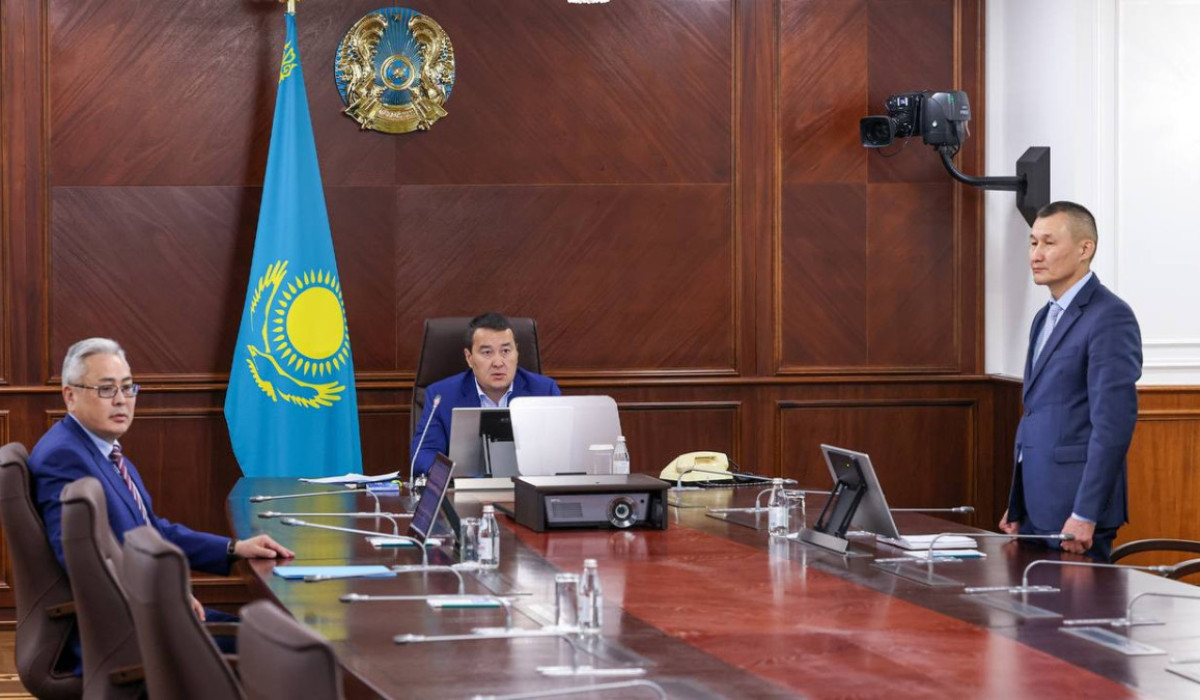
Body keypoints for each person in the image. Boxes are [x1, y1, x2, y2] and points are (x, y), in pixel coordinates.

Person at [29, 337, 294, 672]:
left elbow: (152, 531)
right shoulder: (64, 458)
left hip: (148, 615)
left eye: (128, 387)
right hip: (124, 635)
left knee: (282, 638)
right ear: (70, 395)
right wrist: (165, 596)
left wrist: (234, 548)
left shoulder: (99, 449)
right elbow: (82, 563)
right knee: (289, 651)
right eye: (107, 389)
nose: (122, 400)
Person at [1000, 202, 1142, 561]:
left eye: (1048, 243)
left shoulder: (1110, 316)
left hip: (1076, 515)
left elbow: (1113, 426)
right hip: (1034, 510)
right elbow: (1036, 413)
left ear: (1084, 249)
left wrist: (1085, 513)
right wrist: (1017, 504)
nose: (1036, 254)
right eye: (1033, 243)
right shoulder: (1043, 317)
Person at [410, 312, 561, 476]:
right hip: (466, 487)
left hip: (527, 487)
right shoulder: (442, 396)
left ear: (517, 353)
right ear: (469, 358)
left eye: (506, 351)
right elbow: (423, 454)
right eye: (487, 352)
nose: (498, 362)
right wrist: (455, 476)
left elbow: (560, 450)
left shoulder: (545, 391)